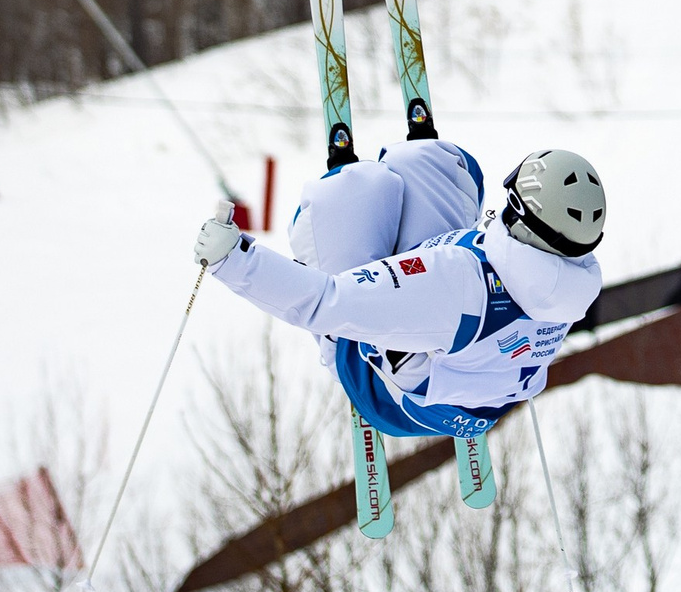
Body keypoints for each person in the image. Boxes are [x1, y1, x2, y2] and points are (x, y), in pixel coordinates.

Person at [191, 141, 605, 439]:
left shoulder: (454, 286)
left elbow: (325, 301)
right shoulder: (571, 283)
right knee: (432, 161)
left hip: (386, 396)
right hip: (470, 387)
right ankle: (402, 184)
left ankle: (341, 342)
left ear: (518, 209)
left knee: (348, 190)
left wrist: (235, 259)